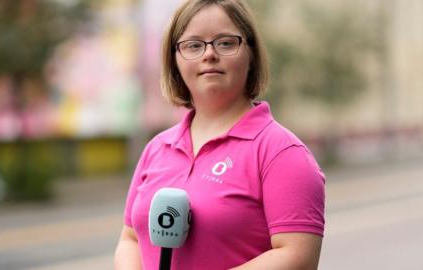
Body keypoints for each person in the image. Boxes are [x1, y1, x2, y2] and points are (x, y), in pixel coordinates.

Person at [115, 0, 325, 269]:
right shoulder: (157, 148)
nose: (209, 54)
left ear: (251, 54)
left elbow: (298, 258)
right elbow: (130, 238)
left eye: (225, 43)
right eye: (193, 45)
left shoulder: (281, 152)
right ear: (174, 60)